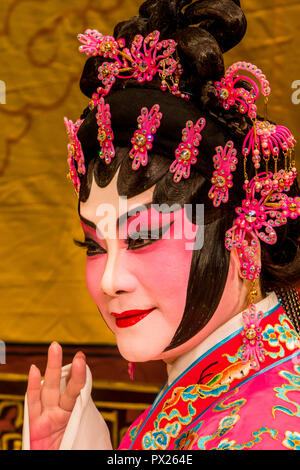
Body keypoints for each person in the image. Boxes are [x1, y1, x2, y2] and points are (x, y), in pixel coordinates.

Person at [22, 0, 300, 450]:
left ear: (243, 238)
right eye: (94, 246)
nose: (110, 280)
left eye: (145, 235)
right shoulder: (210, 390)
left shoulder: (265, 428)